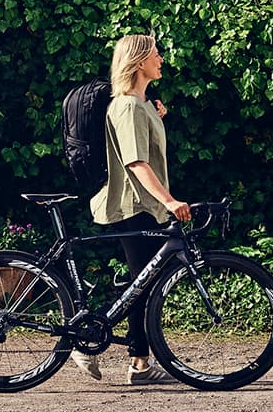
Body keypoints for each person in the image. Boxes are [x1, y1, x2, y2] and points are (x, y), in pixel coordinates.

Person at [69, 34, 193, 384]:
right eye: (156, 54)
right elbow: (136, 162)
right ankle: (86, 338)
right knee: (142, 283)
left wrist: (155, 114)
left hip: (145, 206)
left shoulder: (139, 104)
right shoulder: (126, 107)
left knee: (145, 283)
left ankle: (139, 364)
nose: (162, 59)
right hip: (132, 205)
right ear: (139, 62)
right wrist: (170, 200)